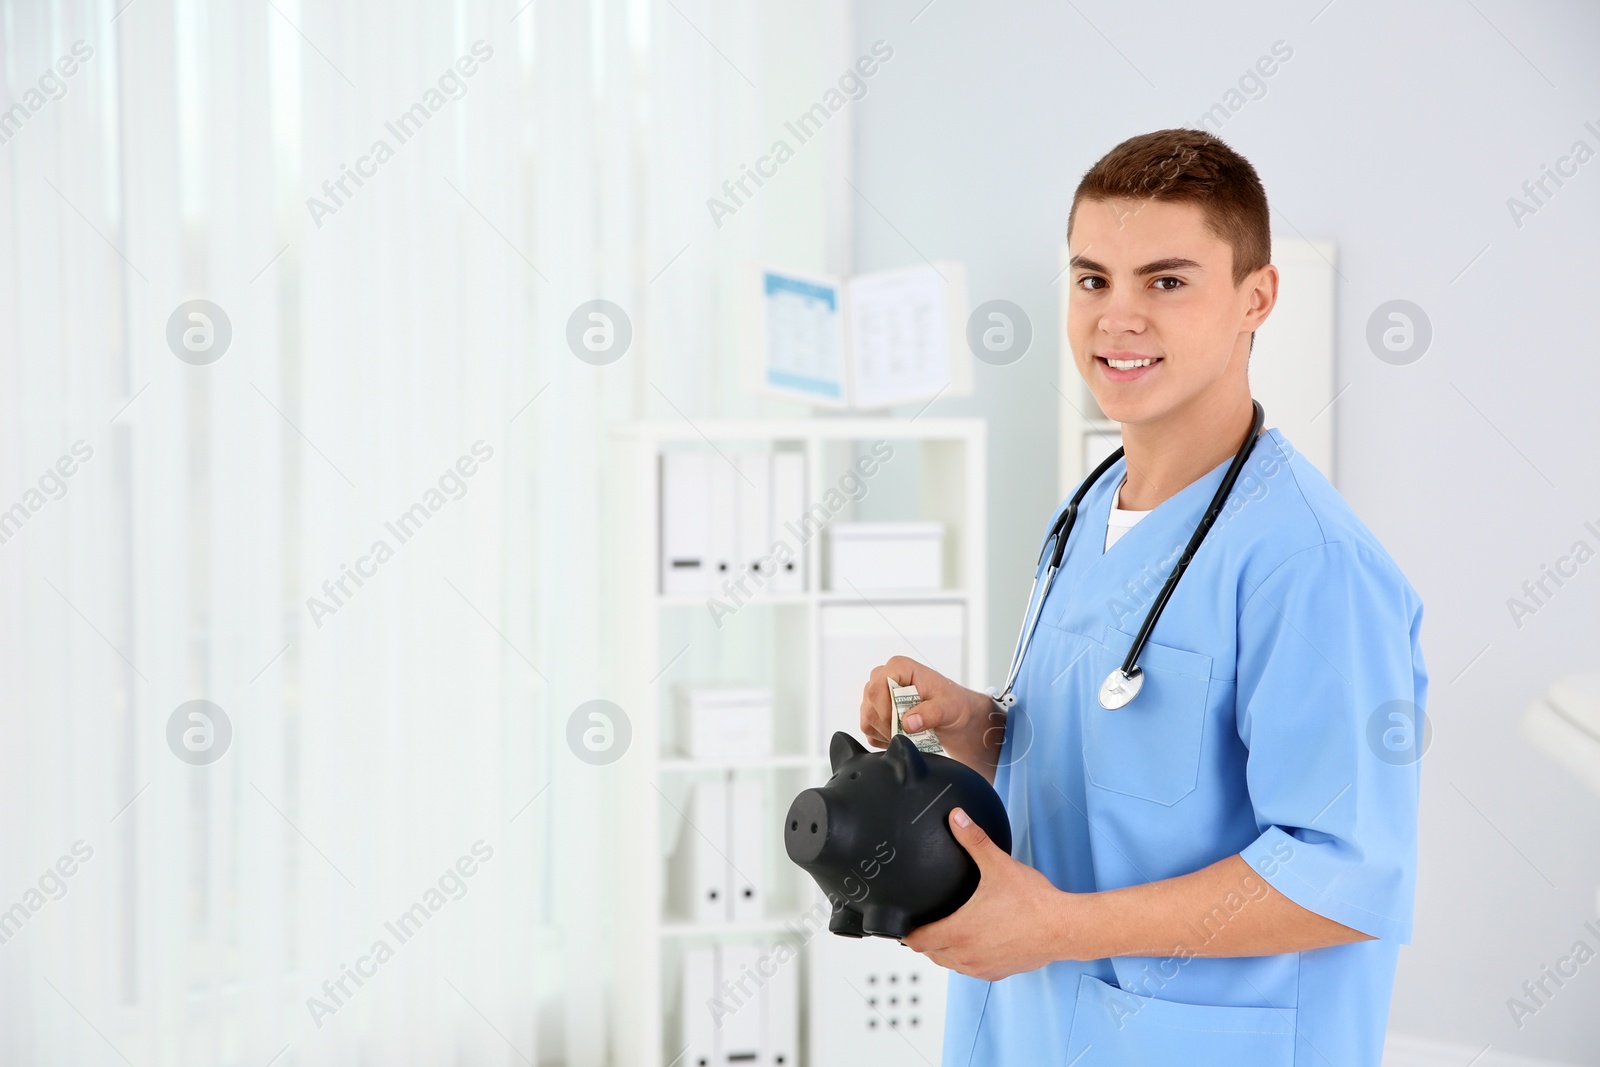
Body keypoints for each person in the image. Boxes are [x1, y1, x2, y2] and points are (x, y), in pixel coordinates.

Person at [860, 128, 1426, 1066]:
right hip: (1034, 1029)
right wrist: (983, 729)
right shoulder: (1087, 513)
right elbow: (1128, 782)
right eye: (1092, 280)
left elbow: (1341, 876)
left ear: (1257, 297)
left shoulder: (1309, 563)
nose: (1117, 318)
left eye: (1165, 281)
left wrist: (1061, 928)